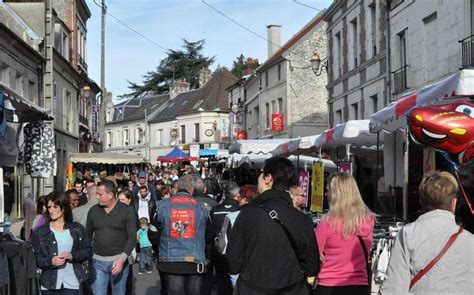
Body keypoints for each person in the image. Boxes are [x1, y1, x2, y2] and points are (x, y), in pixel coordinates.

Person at [227, 157, 320, 294]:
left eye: (261, 173)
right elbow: (312, 266)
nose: (258, 177)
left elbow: (233, 262)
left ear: (268, 178)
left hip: (252, 288)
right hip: (292, 288)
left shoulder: (247, 214)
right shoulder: (302, 219)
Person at [381, 171, 474, 294]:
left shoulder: (408, 235)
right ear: (453, 203)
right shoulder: (470, 241)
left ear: (421, 201)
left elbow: (394, 288)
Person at [314, 172, 375, 295]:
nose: (326, 194)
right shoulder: (368, 220)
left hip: (329, 285)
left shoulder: (327, 222)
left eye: (328, 190)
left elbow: (314, 254)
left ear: (337, 194)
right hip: (359, 285)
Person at [156, 175, 212, 295]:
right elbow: (210, 233)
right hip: (195, 260)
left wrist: (160, 247)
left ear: (177, 187)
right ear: (192, 189)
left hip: (170, 259)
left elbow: (153, 232)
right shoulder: (203, 207)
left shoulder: (161, 205)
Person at [31, 191, 92, 294]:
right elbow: (35, 260)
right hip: (49, 284)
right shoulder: (40, 232)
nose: (51, 210)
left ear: (63, 207)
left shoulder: (77, 229)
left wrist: (72, 255)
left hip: (72, 283)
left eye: (55, 207)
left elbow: (88, 251)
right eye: (49, 207)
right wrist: (51, 261)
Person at [86, 179, 137, 295]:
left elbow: (132, 237)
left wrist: (121, 259)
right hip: (97, 263)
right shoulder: (93, 211)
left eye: (99, 194)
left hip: (118, 262)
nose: (97, 197)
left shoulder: (127, 211)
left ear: (110, 195)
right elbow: (87, 236)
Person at [217, 185, 259, 287]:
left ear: (244, 199)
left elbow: (223, 246)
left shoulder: (232, 217)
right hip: (259, 266)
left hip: (238, 267)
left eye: (239, 197)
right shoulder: (265, 216)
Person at [206, 181, 240, 295]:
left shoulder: (215, 210)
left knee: (222, 284)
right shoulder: (241, 210)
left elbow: (209, 233)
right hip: (237, 253)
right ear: (237, 195)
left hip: (219, 252)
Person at [117, 189, 137, 295]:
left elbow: (132, 234)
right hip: (117, 246)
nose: (120, 202)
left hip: (127, 246)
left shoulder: (131, 212)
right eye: (118, 199)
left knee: (127, 272)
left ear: (129, 200)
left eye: (123, 200)